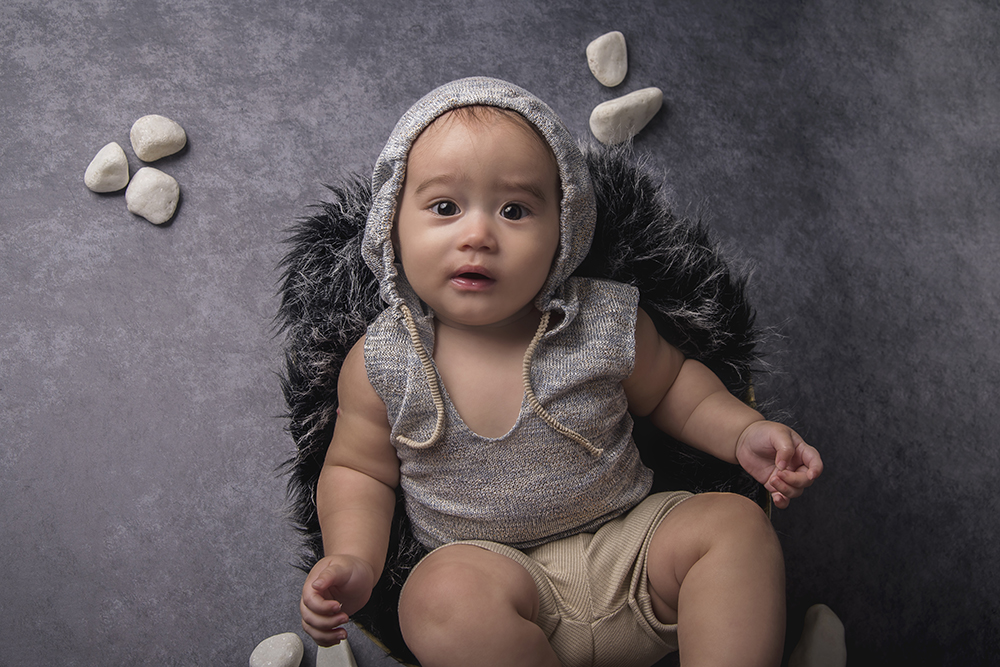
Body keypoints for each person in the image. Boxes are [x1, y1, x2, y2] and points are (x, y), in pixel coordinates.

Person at [298, 77, 823, 667]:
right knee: (434, 600)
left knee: (735, 527)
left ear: (563, 231)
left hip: (635, 548)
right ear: (393, 226)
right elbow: (356, 471)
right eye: (444, 207)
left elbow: (678, 389)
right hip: (495, 578)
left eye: (515, 210)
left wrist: (743, 432)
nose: (477, 235)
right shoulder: (385, 361)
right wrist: (354, 562)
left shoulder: (600, 320)